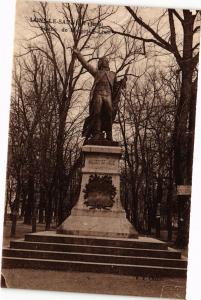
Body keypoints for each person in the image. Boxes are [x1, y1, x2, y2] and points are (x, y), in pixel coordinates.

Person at [73, 49, 127, 141]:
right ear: (101, 63)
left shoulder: (113, 74)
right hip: (98, 94)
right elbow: (86, 65)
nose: (106, 62)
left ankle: (109, 134)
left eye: (107, 61)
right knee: (97, 113)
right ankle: (97, 133)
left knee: (109, 114)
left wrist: (122, 82)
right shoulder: (97, 72)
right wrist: (78, 54)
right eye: (104, 61)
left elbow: (116, 86)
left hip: (108, 95)